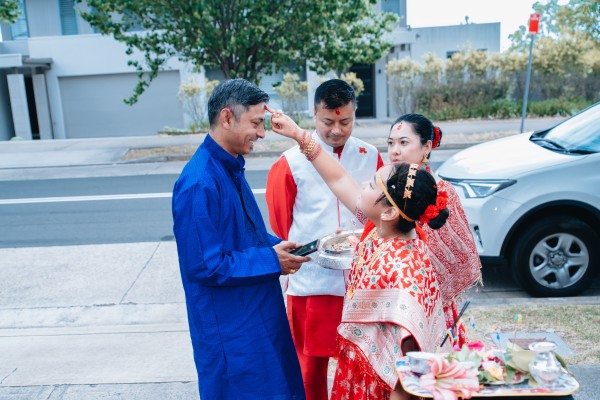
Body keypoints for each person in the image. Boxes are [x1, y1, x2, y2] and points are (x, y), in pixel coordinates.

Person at [270, 111, 452, 400]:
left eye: (369, 185)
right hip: (365, 373)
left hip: (381, 385)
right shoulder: (388, 227)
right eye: (391, 142)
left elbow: (408, 369)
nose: (395, 150)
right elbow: (338, 177)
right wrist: (299, 135)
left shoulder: (404, 272)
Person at [172, 79, 309, 400]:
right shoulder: (199, 183)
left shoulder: (229, 167)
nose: (261, 134)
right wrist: (271, 259)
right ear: (227, 117)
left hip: (256, 315)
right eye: (256, 123)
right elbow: (205, 265)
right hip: (231, 331)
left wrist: (278, 247)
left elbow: (244, 235)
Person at [266, 79, 383, 399]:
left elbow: (381, 214)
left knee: (363, 367)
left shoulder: (370, 155)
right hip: (313, 283)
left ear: (354, 114)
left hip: (361, 282)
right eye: (327, 121)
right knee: (309, 371)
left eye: (345, 122)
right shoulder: (289, 162)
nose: (336, 130)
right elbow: (280, 223)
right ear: (314, 114)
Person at [364, 113, 482, 347]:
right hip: (389, 302)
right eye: (390, 143)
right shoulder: (388, 189)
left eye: (403, 142)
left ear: (426, 146)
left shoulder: (443, 193)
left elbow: (451, 257)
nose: (394, 151)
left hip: (428, 303)